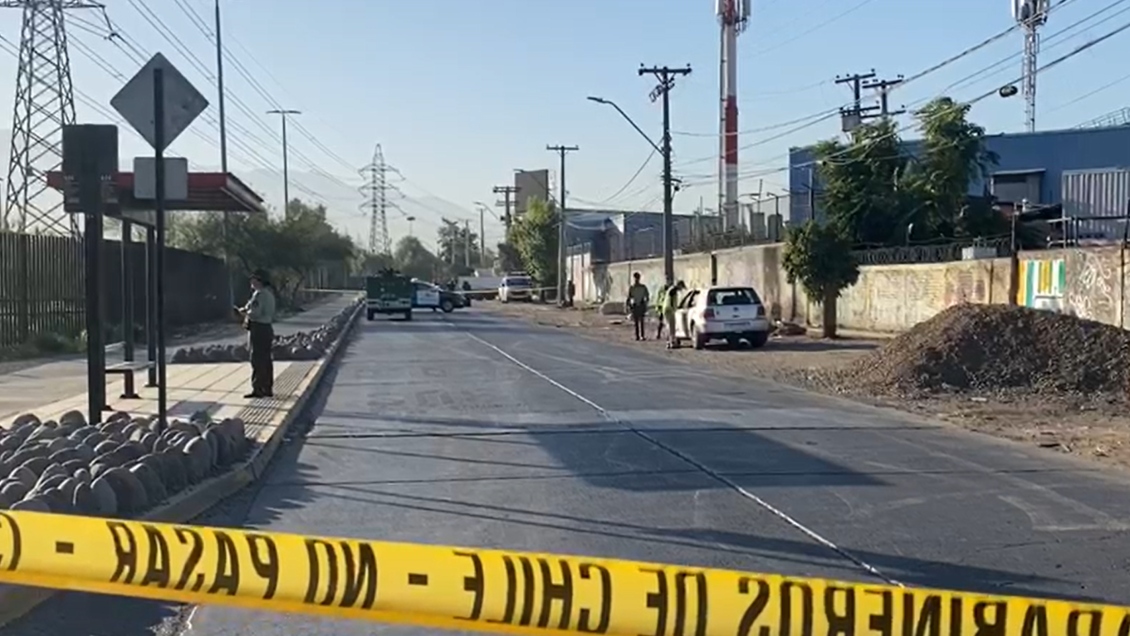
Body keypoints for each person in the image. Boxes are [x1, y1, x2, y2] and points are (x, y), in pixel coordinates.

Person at [236, 269, 277, 398]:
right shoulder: (268, 294)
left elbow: (255, 313)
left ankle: (258, 388)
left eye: (253, 279)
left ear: (259, 281)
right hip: (267, 328)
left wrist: (244, 314)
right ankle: (267, 387)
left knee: (257, 359)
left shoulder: (259, 295)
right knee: (266, 359)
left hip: (258, 328)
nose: (251, 282)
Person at [626, 272, 650, 340]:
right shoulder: (632, 287)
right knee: (636, 322)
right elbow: (629, 297)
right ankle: (637, 335)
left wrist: (645, 303)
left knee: (641, 321)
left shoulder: (643, 287)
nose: (636, 279)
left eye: (637, 278)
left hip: (641, 304)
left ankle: (642, 335)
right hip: (635, 305)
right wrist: (628, 306)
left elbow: (647, 296)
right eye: (635, 278)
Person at [664, 280, 686, 349]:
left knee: (669, 326)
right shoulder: (673, 290)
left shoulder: (671, 289)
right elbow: (671, 300)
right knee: (671, 327)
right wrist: (673, 309)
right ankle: (672, 342)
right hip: (669, 309)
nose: (681, 289)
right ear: (679, 285)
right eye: (681, 287)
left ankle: (669, 342)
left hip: (666, 308)